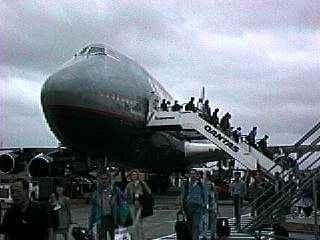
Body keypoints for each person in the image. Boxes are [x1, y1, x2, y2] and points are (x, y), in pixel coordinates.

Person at [181, 169, 208, 240]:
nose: (192, 175)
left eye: (194, 174)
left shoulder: (200, 184)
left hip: (198, 206)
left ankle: (195, 238)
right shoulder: (186, 184)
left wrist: (205, 204)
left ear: (197, 175)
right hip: (188, 206)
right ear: (189, 175)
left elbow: (205, 194)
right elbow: (183, 195)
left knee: (196, 224)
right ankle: (191, 236)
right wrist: (182, 206)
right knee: (189, 224)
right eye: (191, 174)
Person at [125, 169, 152, 240]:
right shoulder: (129, 185)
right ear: (131, 176)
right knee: (136, 223)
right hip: (132, 205)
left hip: (141, 205)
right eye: (133, 175)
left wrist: (141, 193)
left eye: (135, 174)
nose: (134, 176)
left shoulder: (142, 183)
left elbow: (149, 192)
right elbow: (125, 195)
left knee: (139, 223)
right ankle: (139, 237)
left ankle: (143, 237)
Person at [89, 172, 116, 240]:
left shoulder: (114, 190)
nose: (104, 180)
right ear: (99, 180)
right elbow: (93, 210)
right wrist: (90, 224)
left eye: (106, 178)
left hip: (113, 219)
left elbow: (121, 205)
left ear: (109, 179)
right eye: (102, 179)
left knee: (115, 238)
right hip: (101, 220)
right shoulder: (96, 193)